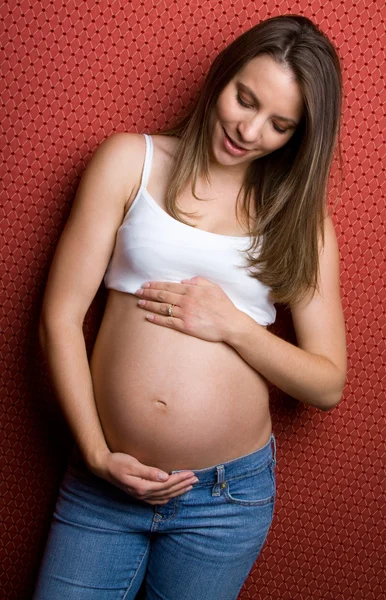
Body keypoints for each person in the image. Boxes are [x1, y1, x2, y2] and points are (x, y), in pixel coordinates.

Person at [33, 14, 347, 600]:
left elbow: (327, 384)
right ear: (220, 76)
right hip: (105, 482)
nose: (250, 131)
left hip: (225, 501)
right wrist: (98, 456)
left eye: (279, 124)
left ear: (300, 135)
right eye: (244, 99)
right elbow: (59, 319)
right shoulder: (131, 161)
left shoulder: (301, 223)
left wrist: (232, 325)